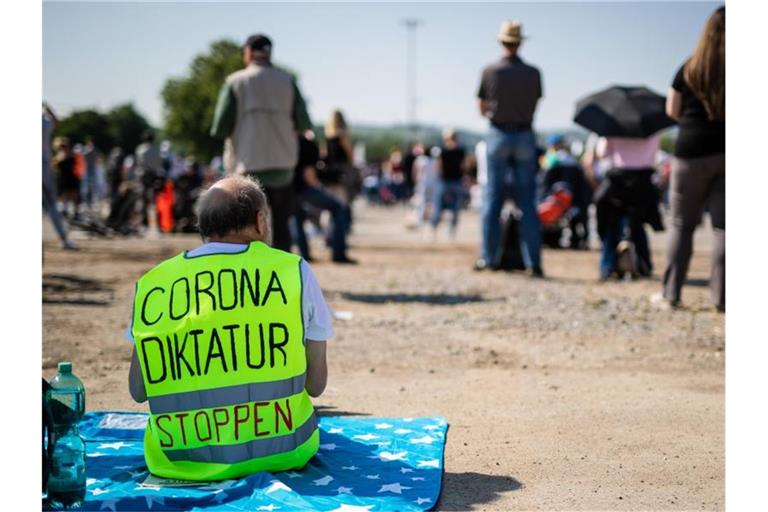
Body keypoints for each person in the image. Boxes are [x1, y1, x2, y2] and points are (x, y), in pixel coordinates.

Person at [127, 176, 331, 481]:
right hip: (286, 450)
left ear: (203, 227)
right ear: (261, 222)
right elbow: (316, 384)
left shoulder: (155, 283)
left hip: (179, 460)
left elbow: (138, 390)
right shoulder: (293, 271)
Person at [210, 33, 314, 253]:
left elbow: (220, 127)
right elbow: (303, 122)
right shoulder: (287, 81)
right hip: (283, 167)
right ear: (269, 53)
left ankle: (252, 276)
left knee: (247, 226)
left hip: (247, 166)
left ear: (247, 53)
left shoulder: (235, 82)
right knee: (281, 226)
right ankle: (284, 276)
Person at [660, 6, 725, 311]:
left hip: (691, 151)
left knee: (682, 225)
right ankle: (723, 298)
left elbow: (672, 110)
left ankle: (671, 294)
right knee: (725, 229)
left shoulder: (689, 68)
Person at [476, 21, 544, 276]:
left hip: (498, 133)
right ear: (520, 42)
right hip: (525, 133)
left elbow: (481, 108)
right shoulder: (534, 73)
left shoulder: (490, 71)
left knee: (492, 198)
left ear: (501, 42)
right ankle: (533, 263)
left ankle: (488, 258)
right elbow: (535, 103)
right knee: (527, 201)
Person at [594, 135, 664, 279]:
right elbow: (654, 156)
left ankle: (607, 267)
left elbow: (602, 153)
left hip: (618, 182)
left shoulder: (613, 129)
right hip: (643, 182)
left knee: (611, 226)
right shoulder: (650, 130)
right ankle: (644, 265)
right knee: (637, 226)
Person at [292, 135, 356, 264]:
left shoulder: (282, 140)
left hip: (286, 189)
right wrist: (320, 188)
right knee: (338, 207)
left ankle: (304, 255)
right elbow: (309, 175)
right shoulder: (306, 144)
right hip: (304, 188)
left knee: (297, 218)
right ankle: (338, 253)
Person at [42, 104, 77, 250]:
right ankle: (64, 239)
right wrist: (47, 107)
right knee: (52, 206)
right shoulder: (43, 122)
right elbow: (56, 120)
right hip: (43, 169)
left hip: (50, 172)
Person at [430, 129, 466, 239]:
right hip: (444, 181)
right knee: (438, 206)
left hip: (454, 181)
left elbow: (463, 166)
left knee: (455, 207)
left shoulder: (459, 151)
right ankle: (434, 229)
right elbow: (438, 166)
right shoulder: (443, 150)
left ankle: (451, 230)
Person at [136, 130, 164, 229]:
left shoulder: (140, 149)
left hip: (143, 175)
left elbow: (139, 163)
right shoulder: (157, 150)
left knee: (143, 199)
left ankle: (144, 223)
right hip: (154, 176)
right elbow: (159, 164)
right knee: (155, 200)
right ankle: (157, 223)